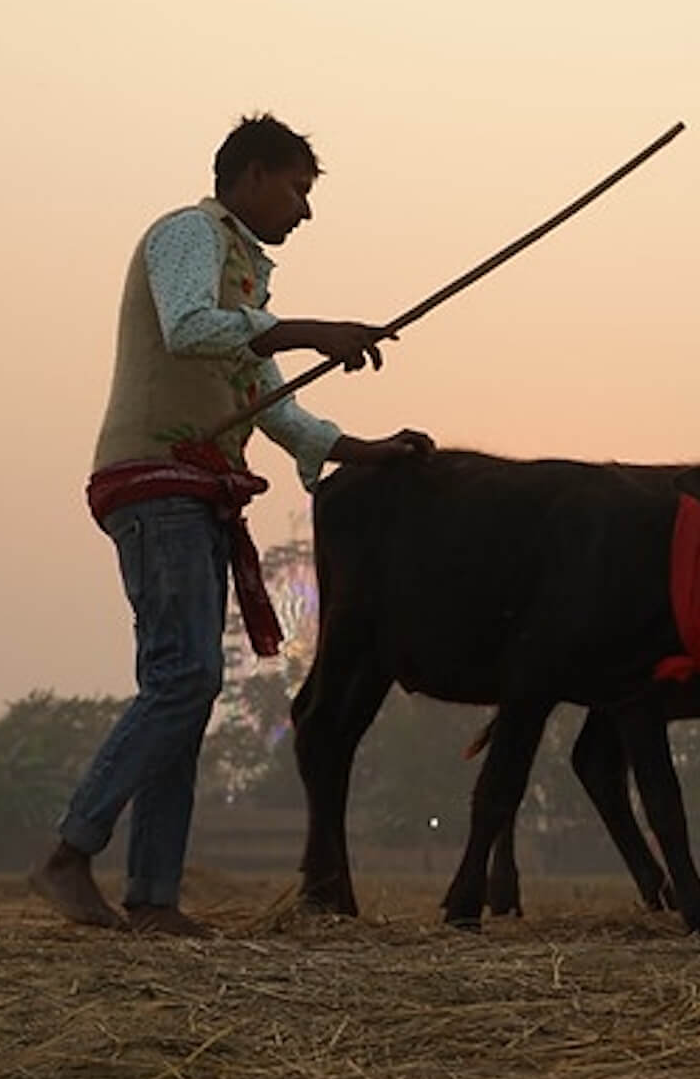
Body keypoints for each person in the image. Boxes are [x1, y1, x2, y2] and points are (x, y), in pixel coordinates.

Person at [30, 114, 433, 936]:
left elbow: (269, 406)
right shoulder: (189, 234)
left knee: (180, 690)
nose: (305, 212)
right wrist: (309, 328)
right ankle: (69, 854)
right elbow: (187, 331)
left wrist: (367, 450)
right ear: (250, 175)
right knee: (184, 681)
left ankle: (152, 898)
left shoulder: (246, 278)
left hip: (196, 488)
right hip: (156, 479)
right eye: (298, 189)